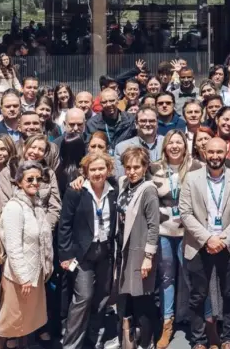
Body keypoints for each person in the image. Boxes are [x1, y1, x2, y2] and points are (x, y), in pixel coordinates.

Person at [179, 137, 230, 349]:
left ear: (226, 152)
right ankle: (199, 340)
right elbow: (185, 212)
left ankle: (228, 338)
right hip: (199, 244)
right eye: (211, 152)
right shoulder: (191, 178)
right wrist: (208, 238)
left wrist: (223, 239)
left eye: (219, 152)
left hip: (229, 245)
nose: (215, 156)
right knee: (198, 296)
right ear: (204, 153)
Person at [58, 153, 118, 349]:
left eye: (101, 168)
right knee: (83, 297)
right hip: (83, 253)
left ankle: (93, 340)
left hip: (106, 252)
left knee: (102, 298)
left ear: (108, 170)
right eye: (93, 169)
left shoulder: (114, 189)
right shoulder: (75, 191)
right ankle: (71, 344)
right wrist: (66, 255)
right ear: (85, 172)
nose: (97, 173)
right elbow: (65, 225)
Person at [0, 161, 54, 349]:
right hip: (20, 277)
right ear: (19, 182)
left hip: (35, 273)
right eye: (30, 179)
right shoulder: (14, 207)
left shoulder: (36, 206)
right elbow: (13, 247)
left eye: (38, 179)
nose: (35, 182)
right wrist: (23, 277)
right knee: (9, 322)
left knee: (27, 322)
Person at [151, 130, 201, 349]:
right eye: (170, 142)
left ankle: (199, 324)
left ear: (185, 145)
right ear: (165, 146)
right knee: (166, 278)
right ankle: (167, 323)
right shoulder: (154, 168)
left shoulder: (196, 167)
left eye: (179, 142)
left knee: (191, 277)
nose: (174, 146)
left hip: (188, 232)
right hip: (163, 231)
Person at [115, 148, 160, 349]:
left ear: (145, 167)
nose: (132, 171)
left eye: (136, 167)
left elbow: (154, 226)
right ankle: (130, 341)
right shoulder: (124, 184)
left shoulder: (148, 190)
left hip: (140, 251)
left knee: (142, 299)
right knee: (129, 298)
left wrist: (148, 256)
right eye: (128, 167)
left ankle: (147, 343)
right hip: (124, 250)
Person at [115, 106, 164, 175]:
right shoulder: (122, 148)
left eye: (152, 121)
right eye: (143, 121)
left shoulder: (167, 143)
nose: (147, 124)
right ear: (136, 124)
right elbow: (121, 177)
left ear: (157, 123)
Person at [84, 88, 136, 153]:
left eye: (112, 101)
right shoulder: (92, 124)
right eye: (104, 102)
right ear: (100, 104)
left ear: (118, 101)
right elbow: (88, 149)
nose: (108, 104)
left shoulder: (130, 120)